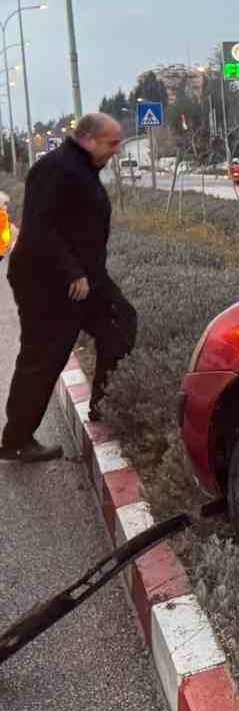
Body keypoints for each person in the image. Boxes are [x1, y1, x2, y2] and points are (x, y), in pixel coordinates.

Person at [1, 114, 137, 462]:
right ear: (88, 140)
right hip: (49, 283)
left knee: (120, 320)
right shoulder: (56, 168)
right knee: (43, 356)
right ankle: (16, 439)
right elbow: (39, 228)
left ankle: (104, 406)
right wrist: (72, 272)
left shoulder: (80, 168)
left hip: (85, 279)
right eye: (112, 143)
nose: (117, 150)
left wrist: (86, 273)